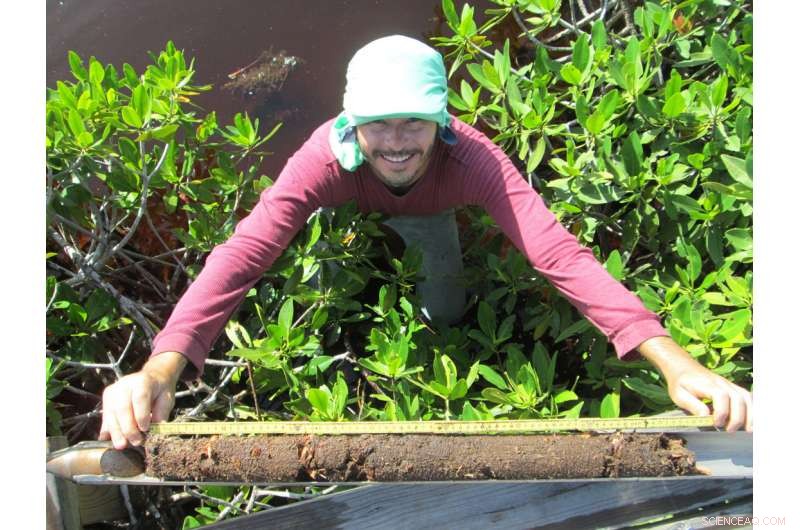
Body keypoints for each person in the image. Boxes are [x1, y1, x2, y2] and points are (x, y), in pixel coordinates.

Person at [99, 35, 753, 450]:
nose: (396, 142)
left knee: (445, 305)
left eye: (415, 121)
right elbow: (245, 253)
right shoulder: (323, 160)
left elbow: (559, 255)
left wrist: (676, 363)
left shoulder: (473, 160)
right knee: (324, 293)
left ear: (442, 120)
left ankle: (440, 345)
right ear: (354, 123)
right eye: (377, 125)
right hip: (344, 209)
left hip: (436, 216)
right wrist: (163, 367)